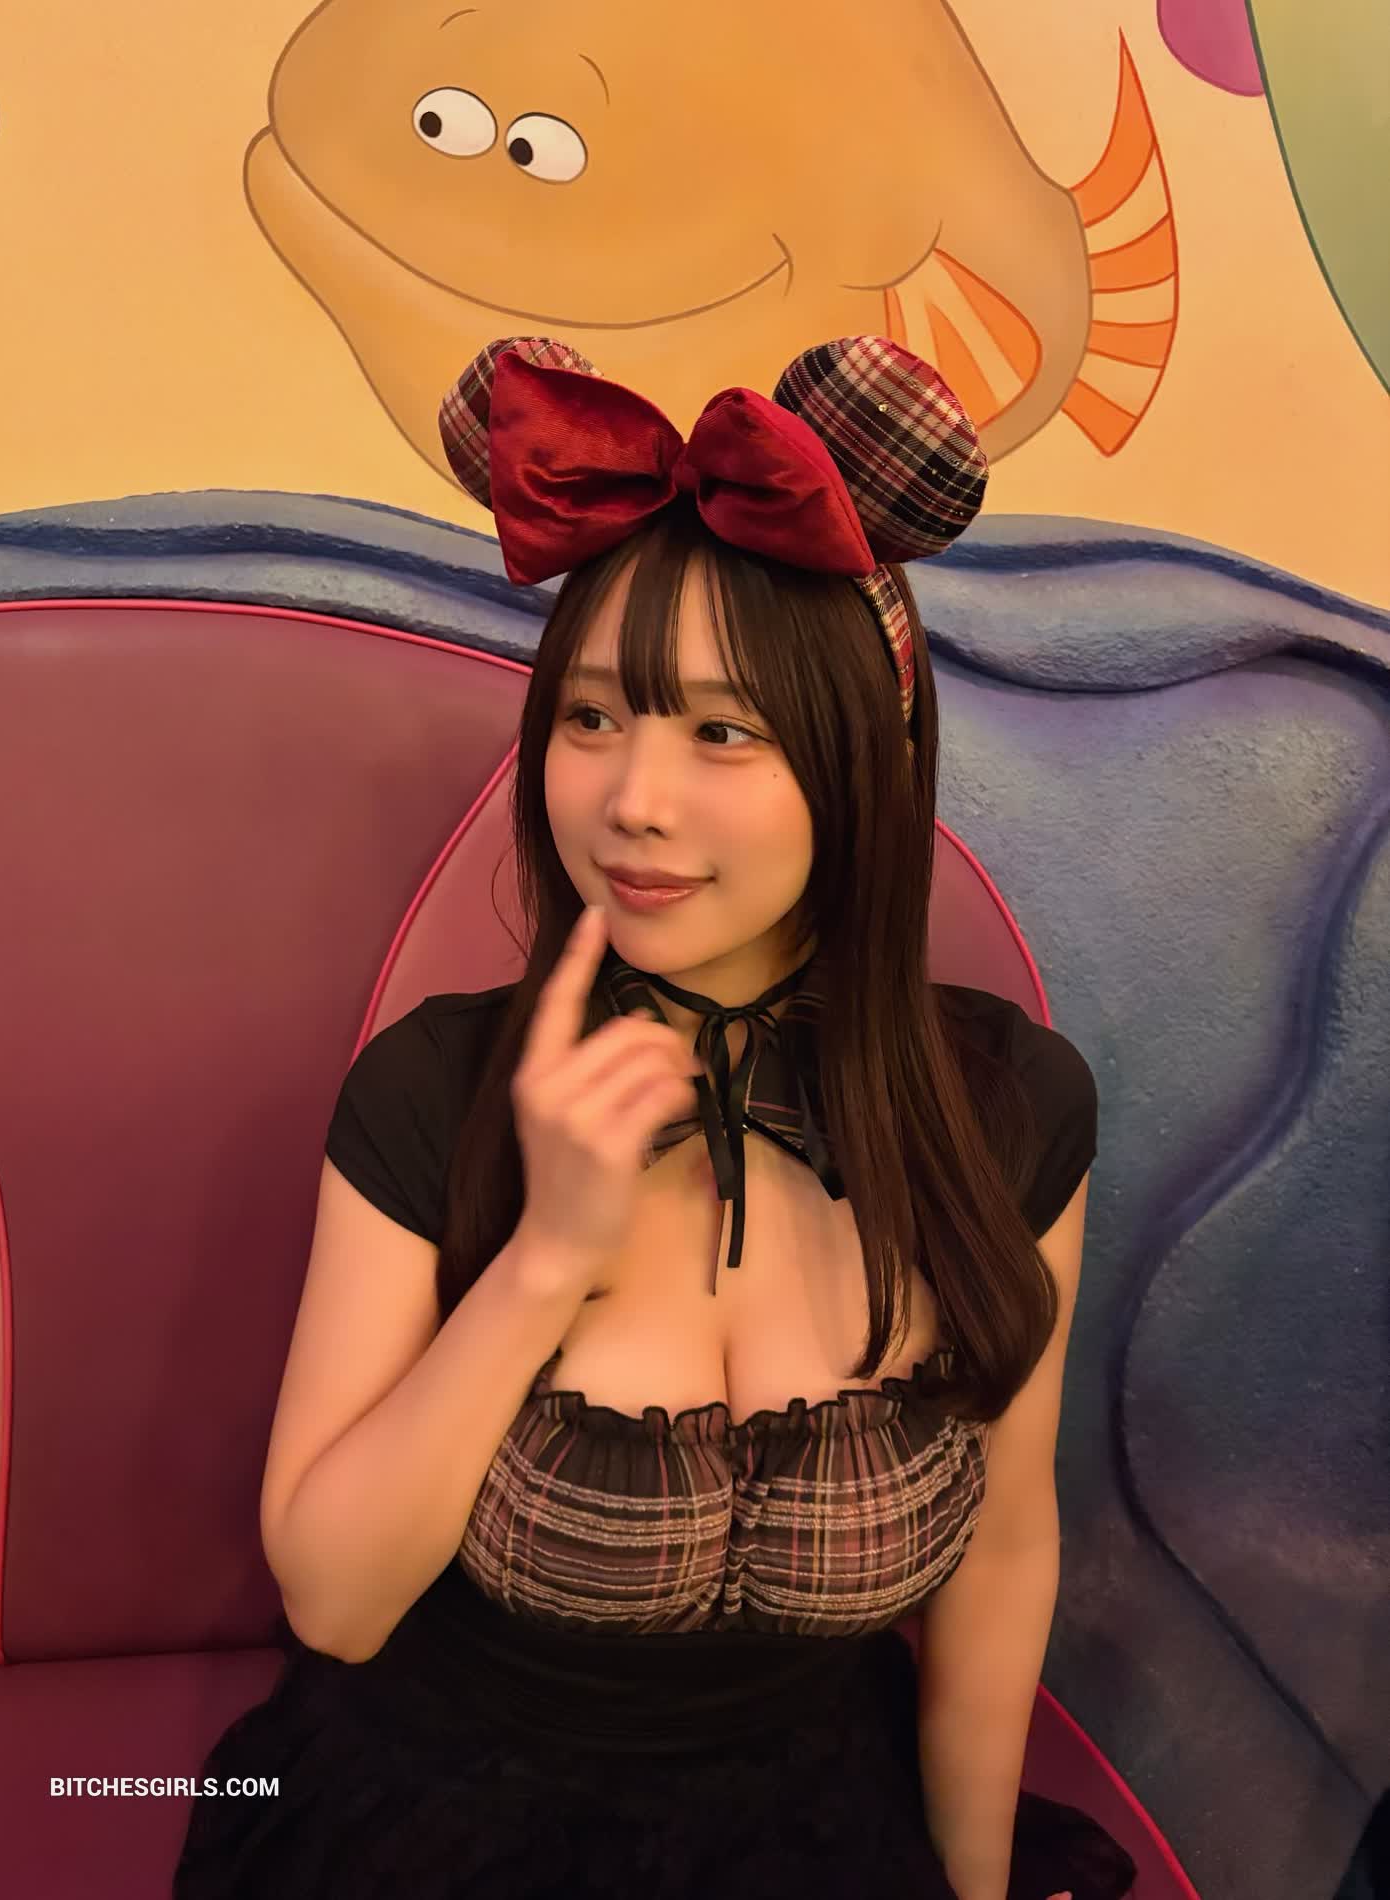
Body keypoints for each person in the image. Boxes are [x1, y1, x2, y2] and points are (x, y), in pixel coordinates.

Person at [172, 336, 1139, 1899]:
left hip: (818, 1823)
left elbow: (1003, 1548)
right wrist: (546, 1259)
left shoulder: (1007, 1107)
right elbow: (336, 1606)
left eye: (721, 733)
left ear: (868, 761)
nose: (629, 800)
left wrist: (969, 1882)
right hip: (434, 1823)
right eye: (591, 719)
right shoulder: (436, 1091)